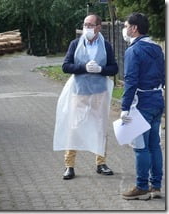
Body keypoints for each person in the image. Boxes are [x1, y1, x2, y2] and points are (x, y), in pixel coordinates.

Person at [53, 14, 118, 179]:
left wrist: (101, 70)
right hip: (80, 92)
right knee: (73, 128)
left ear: (98, 27)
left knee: (100, 127)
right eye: (85, 24)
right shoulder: (75, 44)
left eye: (90, 25)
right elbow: (66, 66)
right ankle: (69, 165)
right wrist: (83, 67)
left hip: (99, 93)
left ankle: (101, 162)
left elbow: (114, 68)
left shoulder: (106, 46)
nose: (87, 27)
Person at [120, 13, 165, 200]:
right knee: (155, 145)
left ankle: (141, 187)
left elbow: (131, 80)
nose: (125, 29)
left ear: (134, 28)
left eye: (126, 25)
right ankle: (156, 186)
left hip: (141, 103)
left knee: (141, 147)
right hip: (157, 100)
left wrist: (125, 107)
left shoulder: (133, 51)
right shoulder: (157, 48)